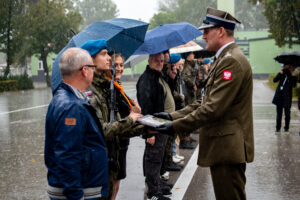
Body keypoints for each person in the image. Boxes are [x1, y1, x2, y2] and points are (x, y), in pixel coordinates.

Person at [155, 7, 254, 200]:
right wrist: (172, 116)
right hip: (224, 147)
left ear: (222, 31)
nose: (203, 35)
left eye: (207, 30)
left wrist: (175, 126)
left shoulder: (231, 61)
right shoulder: (224, 59)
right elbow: (203, 100)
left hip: (227, 148)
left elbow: (212, 108)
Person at [80, 40, 145, 200]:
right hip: (97, 167)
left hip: (109, 162)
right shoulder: (89, 92)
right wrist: (131, 119)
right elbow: (101, 131)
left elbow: (117, 124)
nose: (109, 58)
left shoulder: (106, 88)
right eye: (103, 54)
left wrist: (147, 128)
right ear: (90, 60)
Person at [45, 48, 109, 200]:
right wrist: (75, 195)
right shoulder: (71, 106)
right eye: (92, 67)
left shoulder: (68, 98)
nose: (94, 72)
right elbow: (68, 155)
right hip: (78, 191)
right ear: (85, 70)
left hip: (79, 187)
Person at [136, 53, 174, 200]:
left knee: (159, 157)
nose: (160, 63)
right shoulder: (147, 80)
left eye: (162, 61)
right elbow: (146, 108)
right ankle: (153, 192)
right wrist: (149, 133)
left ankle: (157, 184)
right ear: (149, 60)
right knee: (153, 158)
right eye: (157, 61)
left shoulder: (157, 76)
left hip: (161, 125)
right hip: (153, 127)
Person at [272, 64, 297, 132]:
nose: (285, 67)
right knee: (279, 114)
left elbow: (294, 85)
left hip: (287, 97)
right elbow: (274, 80)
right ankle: (278, 128)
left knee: (287, 114)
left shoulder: (292, 75)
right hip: (280, 96)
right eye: (285, 65)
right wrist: (280, 73)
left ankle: (286, 128)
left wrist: (293, 76)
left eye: (288, 66)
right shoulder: (282, 72)